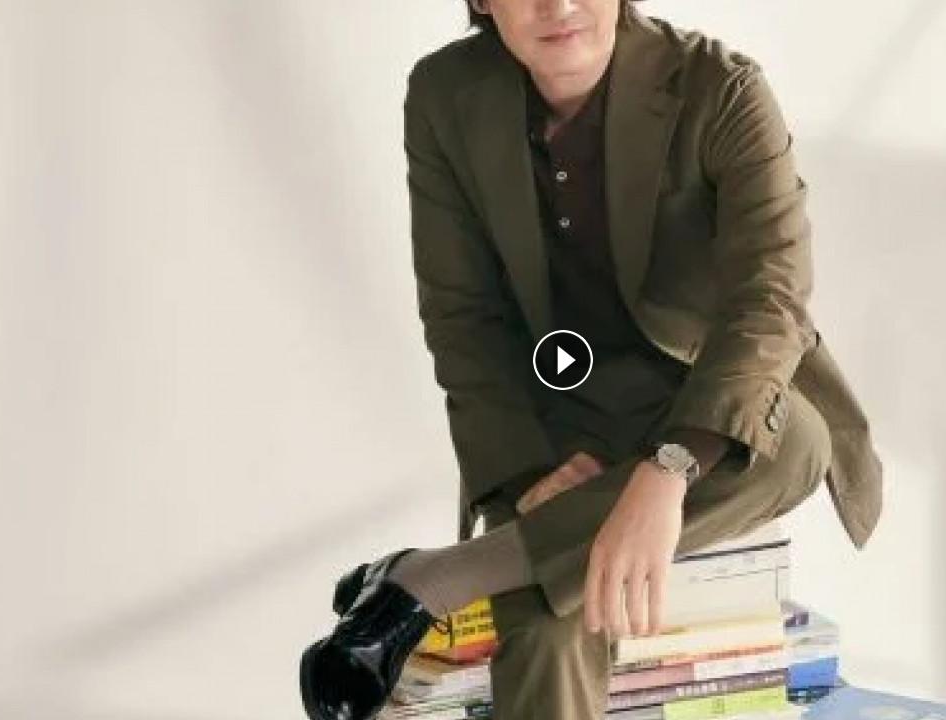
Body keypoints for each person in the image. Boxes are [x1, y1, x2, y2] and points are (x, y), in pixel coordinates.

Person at [298, 2, 884, 719]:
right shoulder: (444, 95)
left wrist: (667, 472)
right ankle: (446, 574)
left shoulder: (722, 89)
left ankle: (432, 580)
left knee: (797, 439)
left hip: (699, 404)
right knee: (549, 631)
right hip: (554, 421)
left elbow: (771, 300)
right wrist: (525, 476)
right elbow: (463, 318)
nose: (559, 5)